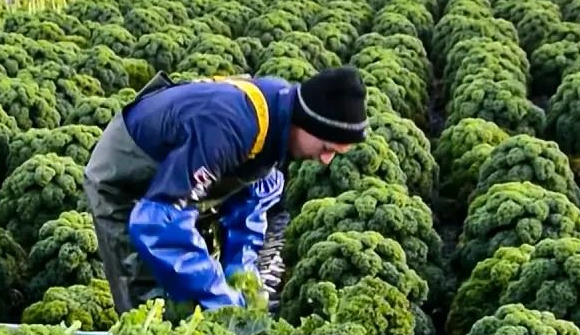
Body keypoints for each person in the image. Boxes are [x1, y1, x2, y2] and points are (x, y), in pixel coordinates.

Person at [83, 66, 369, 313]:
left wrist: (240, 272)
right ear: (307, 124)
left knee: (195, 285)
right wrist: (216, 293)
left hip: (180, 174)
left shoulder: (280, 115)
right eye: (326, 147)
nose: (325, 159)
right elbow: (157, 222)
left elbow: (252, 196)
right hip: (126, 177)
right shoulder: (229, 127)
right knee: (150, 301)